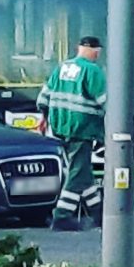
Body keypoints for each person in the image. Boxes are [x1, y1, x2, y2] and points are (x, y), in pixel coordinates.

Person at [37, 36, 106, 231]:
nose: (97, 55)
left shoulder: (62, 67)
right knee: (77, 173)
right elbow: (105, 100)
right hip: (81, 129)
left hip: (60, 127)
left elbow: (44, 97)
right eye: (97, 51)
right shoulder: (92, 71)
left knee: (83, 172)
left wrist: (44, 118)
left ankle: (98, 212)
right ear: (94, 50)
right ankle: (62, 216)